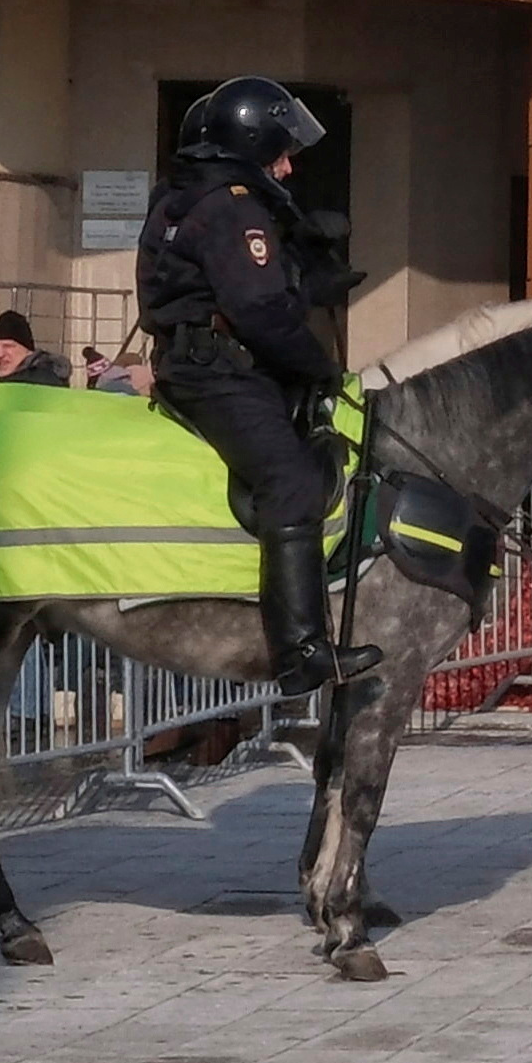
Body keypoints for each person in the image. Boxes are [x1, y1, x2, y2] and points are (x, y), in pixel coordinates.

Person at [139, 81, 361, 696]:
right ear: (254, 144)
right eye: (282, 153)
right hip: (220, 371)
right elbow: (258, 309)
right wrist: (319, 366)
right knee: (289, 480)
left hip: (200, 360)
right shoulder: (234, 206)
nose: (288, 167)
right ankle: (302, 651)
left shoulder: (188, 194)